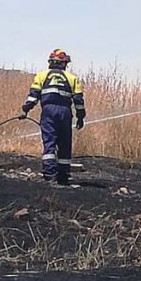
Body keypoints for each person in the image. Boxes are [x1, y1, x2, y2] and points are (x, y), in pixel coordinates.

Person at [19, 49, 86, 185]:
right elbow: (78, 100)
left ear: (51, 62)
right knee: (64, 142)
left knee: (49, 141)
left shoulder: (41, 76)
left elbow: (33, 96)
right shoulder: (71, 78)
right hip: (65, 112)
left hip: (48, 111)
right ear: (63, 63)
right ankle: (63, 174)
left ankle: (49, 174)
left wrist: (25, 110)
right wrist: (80, 117)